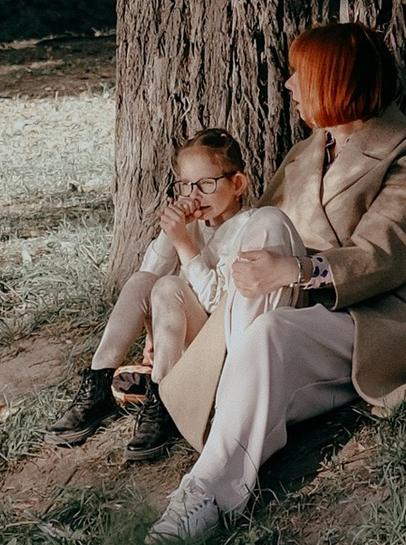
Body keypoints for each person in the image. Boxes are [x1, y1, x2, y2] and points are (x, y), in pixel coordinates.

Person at [149, 20, 406, 545]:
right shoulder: (304, 154)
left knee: (268, 309)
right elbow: (251, 246)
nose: (287, 86)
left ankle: (205, 490)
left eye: (299, 76)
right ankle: (231, 407)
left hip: (366, 318)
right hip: (282, 316)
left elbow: (386, 255)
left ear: (335, 80)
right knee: (261, 232)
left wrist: (300, 270)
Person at [51, 131, 306, 460]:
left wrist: (184, 245)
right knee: (144, 281)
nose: (193, 195)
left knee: (168, 286)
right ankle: (99, 381)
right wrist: (170, 234)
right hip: (186, 341)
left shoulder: (251, 227)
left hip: (221, 348)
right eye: (185, 185)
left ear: (238, 184)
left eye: (206, 184)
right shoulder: (196, 226)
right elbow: (148, 274)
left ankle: (164, 399)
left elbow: (220, 305)